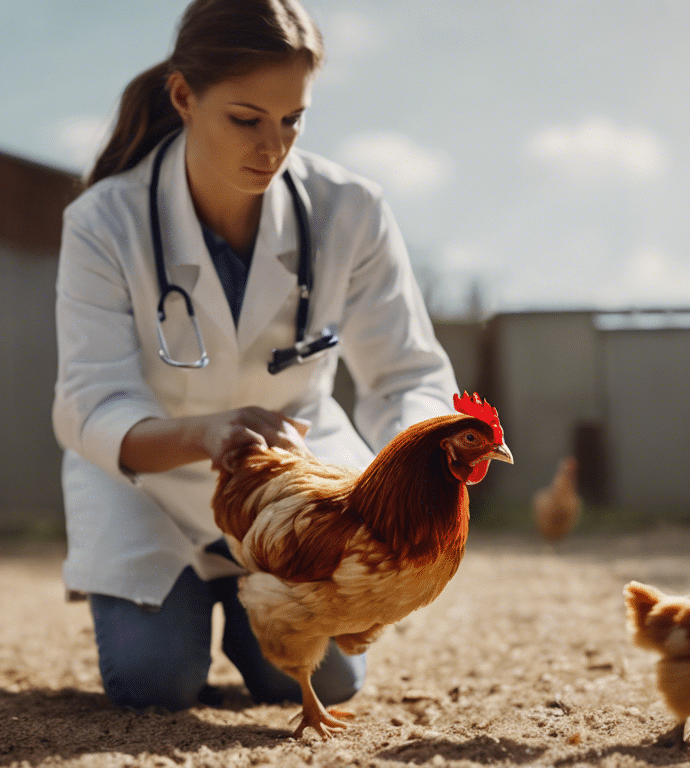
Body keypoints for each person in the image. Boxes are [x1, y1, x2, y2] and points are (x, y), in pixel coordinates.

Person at [52, 0, 459, 712]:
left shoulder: (351, 210)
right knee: (156, 683)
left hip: (297, 500)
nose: (273, 147)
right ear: (184, 96)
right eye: (246, 119)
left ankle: (252, 610)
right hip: (155, 491)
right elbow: (90, 403)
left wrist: (419, 480)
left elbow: (407, 374)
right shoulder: (103, 223)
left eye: (293, 120)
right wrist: (206, 434)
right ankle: (190, 598)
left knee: (317, 681)